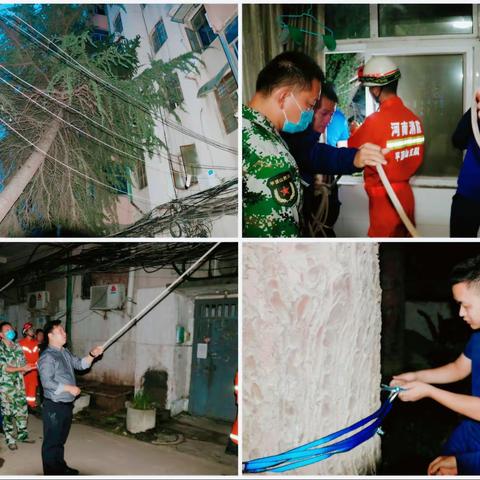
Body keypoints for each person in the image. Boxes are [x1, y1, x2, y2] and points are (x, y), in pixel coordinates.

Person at [390, 255, 480, 475]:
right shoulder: (478, 336)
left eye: (465, 305)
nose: (460, 313)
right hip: (472, 430)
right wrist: (417, 377)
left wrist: (429, 392)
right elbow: (459, 368)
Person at [282, 82, 388, 236]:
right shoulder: (294, 139)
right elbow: (317, 155)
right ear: (308, 110)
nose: (328, 121)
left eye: (331, 115)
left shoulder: (310, 138)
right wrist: (353, 158)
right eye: (324, 113)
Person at [242, 51, 323, 237]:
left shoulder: (244, 124)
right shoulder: (272, 160)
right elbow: (277, 238)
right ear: (283, 97)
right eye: (310, 105)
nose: (310, 114)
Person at [348, 56, 424, 237]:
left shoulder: (375, 121)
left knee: (384, 252)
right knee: (405, 247)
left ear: (376, 89)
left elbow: (352, 148)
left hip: (384, 200)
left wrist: (354, 131)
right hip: (406, 196)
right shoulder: (413, 119)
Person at [38, 320, 103, 475]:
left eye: (64, 331)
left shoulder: (64, 352)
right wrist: (69, 388)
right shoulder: (47, 356)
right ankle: (51, 472)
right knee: (51, 442)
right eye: (60, 331)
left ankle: (60, 466)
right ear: (50, 335)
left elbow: (80, 365)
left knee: (60, 440)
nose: (64, 333)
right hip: (54, 405)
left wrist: (92, 355)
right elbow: (47, 382)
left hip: (66, 404)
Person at [0, 321, 35, 450]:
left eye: (11, 329)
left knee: (22, 411)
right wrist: (22, 368)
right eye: (7, 330)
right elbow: (5, 368)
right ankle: (9, 439)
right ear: (1, 334)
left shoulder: (17, 347)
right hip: (6, 387)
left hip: (20, 385)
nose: (11, 331)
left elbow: (23, 364)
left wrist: (29, 368)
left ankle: (22, 435)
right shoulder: (0, 348)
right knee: (8, 413)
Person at [450, 89, 480, 237]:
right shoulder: (476, 111)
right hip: (469, 196)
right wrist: (474, 113)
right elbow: (458, 140)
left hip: (469, 194)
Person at [19, 322, 40, 408]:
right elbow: (19, 358)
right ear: (26, 331)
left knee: (32, 387)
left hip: (34, 369)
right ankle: (23, 405)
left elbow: (38, 356)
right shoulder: (21, 343)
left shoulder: (35, 343)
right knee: (24, 387)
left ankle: (31, 405)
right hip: (25, 369)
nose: (32, 331)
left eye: (32, 329)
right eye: (30, 329)